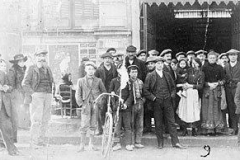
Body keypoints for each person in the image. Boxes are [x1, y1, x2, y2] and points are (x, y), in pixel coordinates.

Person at [144, 57, 186, 149]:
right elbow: (145, 90)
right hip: (157, 102)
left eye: (161, 63)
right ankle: (160, 143)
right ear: (155, 65)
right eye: (158, 63)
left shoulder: (167, 75)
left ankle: (176, 142)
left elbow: (173, 87)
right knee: (158, 123)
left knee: (171, 122)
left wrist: (171, 96)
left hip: (167, 101)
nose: (160, 65)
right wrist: (154, 98)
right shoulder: (150, 75)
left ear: (163, 65)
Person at [22, 50, 54, 147]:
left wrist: (52, 93)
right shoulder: (31, 68)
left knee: (45, 119)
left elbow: (51, 81)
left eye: (43, 56)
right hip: (37, 95)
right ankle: (33, 142)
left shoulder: (48, 68)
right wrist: (33, 94)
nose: (41, 58)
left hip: (48, 95)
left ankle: (41, 141)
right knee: (36, 120)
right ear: (36, 58)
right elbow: (24, 83)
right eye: (39, 56)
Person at [76, 61, 106, 152]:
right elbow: (78, 94)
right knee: (84, 125)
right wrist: (81, 104)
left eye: (92, 69)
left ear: (95, 70)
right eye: (89, 69)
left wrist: (99, 102)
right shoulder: (80, 81)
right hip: (85, 106)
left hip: (95, 105)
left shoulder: (98, 80)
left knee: (93, 125)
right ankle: (82, 145)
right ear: (85, 70)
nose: (91, 71)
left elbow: (103, 93)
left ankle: (91, 144)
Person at [177, 58, 204, 136]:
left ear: (199, 64)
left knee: (194, 110)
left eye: (195, 63)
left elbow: (201, 86)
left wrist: (191, 86)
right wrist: (184, 85)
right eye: (192, 63)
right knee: (185, 110)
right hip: (187, 92)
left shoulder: (201, 73)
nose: (194, 64)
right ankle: (185, 129)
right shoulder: (188, 71)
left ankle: (193, 129)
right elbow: (183, 79)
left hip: (194, 93)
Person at [201, 51, 225, 135]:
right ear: (208, 58)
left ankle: (217, 129)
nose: (212, 59)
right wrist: (208, 84)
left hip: (217, 90)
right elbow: (201, 81)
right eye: (210, 58)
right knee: (207, 109)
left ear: (216, 59)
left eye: (213, 58)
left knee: (217, 108)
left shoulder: (220, 68)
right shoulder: (204, 67)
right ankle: (208, 129)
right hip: (207, 91)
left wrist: (217, 83)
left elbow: (224, 79)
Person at [95, 52, 117, 135]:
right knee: (101, 110)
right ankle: (100, 129)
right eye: (106, 58)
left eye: (109, 58)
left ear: (111, 60)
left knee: (113, 108)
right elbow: (95, 81)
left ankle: (112, 128)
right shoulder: (99, 69)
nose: (107, 60)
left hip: (112, 92)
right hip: (102, 92)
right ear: (103, 59)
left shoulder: (114, 68)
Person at [8, 54, 29, 141]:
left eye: (23, 61)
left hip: (24, 94)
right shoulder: (12, 70)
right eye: (19, 61)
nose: (22, 62)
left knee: (23, 115)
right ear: (16, 63)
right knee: (15, 117)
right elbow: (11, 84)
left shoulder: (25, 69)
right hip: (16, 94)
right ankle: (13, 138)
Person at [0, 59, 19, 155]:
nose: (3, 68)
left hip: (4, 105)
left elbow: (11, 87)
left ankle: (11, 149)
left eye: (4, 66)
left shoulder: (5, 75)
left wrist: (7, 88)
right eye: (1, 66)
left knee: (7, 127)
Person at [127, 65, 145, 150]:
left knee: (140, 123)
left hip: (139, 102)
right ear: (129, 73)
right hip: (131, 104)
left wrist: (143, 99)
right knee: (131, 123)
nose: (135, 74)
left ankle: (138, 142)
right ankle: (132, 142)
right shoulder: (127, 82)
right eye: (133, 72)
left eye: (136, 72)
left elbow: (144, 92)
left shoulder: (140, 82)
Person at [225, 49, 240, 135]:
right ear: (228, 56)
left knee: (237, 106)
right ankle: (233, 128)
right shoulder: (226, 66)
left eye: (234, 55)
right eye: (231, 55)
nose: (233, 56)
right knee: (230, 108)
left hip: (238, 87)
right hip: (228, 88)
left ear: (237, 56)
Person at [143, 56, 157, 133]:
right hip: (149, 96)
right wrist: (151, 97)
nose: (150, 65)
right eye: (148, 64)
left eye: (152, 63)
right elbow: (145, 88)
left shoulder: (157, 73)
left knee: (157, 113)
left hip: (157, 96)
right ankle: (148, 127)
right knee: (147, 112)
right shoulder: (147, 74)